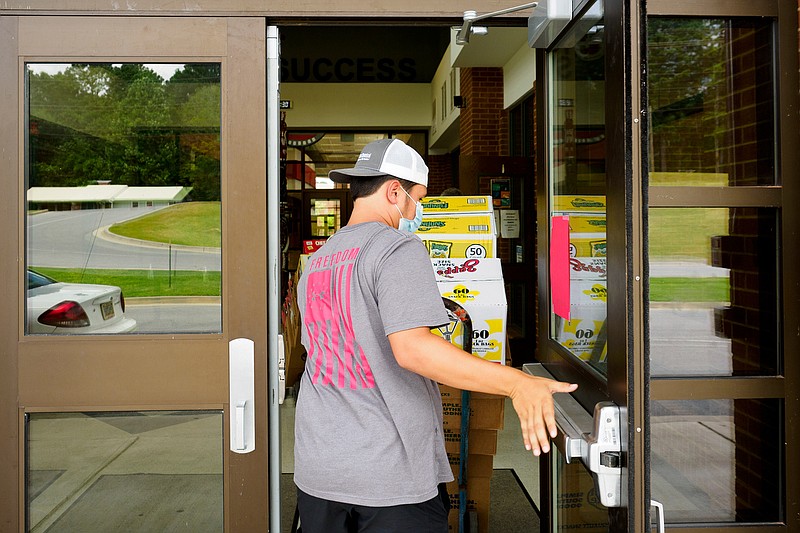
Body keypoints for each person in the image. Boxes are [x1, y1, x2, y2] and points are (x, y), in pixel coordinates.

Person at [294, 138, 577, 532]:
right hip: (388, 478)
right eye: (418, 198)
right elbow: (414, 350)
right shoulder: (394, 248)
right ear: (395, 191)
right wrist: (518, 384)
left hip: (319, 471)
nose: (417, 210)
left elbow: (322, 355)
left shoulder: (317, 263)